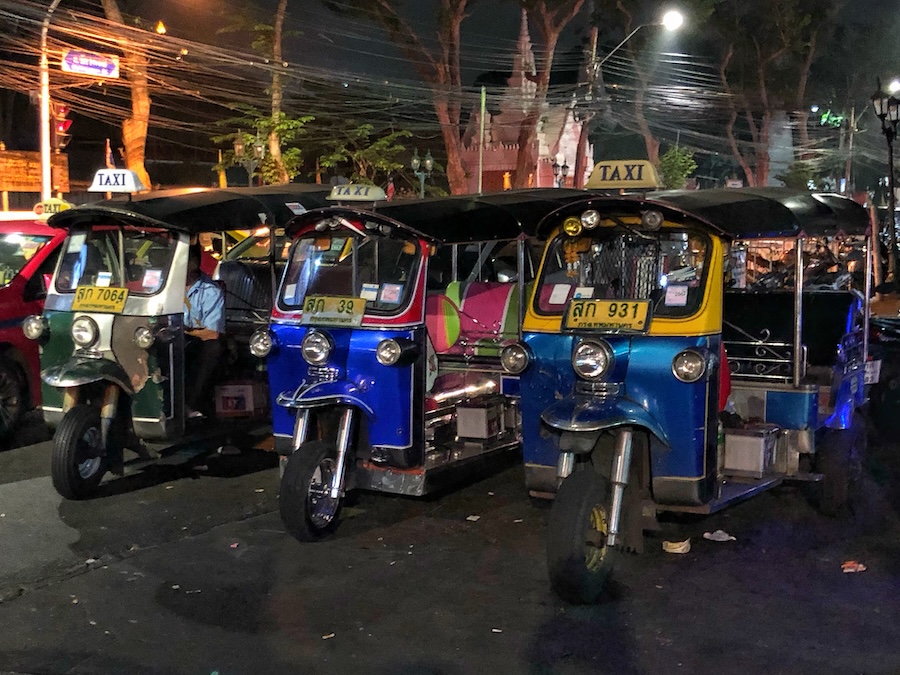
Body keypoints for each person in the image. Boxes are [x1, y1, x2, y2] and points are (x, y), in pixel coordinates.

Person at [184, 243, 225, 418]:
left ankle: (191, 404)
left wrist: (185, 332)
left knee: (212, 348)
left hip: (196, 341)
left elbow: (212, 333)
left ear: (194, 262)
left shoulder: (211, 291)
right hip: (170, 336)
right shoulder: (165, 286)